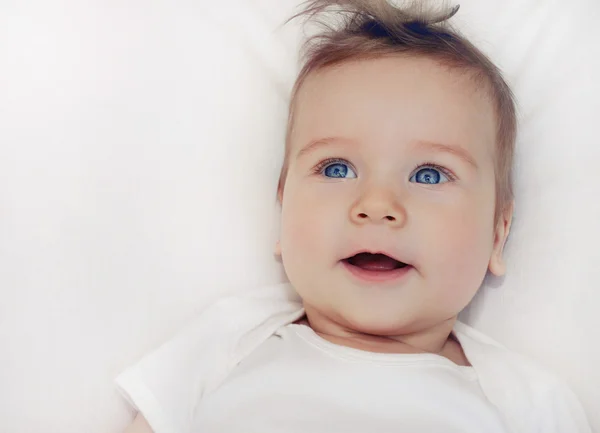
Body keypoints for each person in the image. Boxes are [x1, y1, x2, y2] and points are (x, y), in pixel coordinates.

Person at [119, 1, 592, 432]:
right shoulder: (229, 340)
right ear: (283, 210)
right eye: (337, 168)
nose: (377, 204)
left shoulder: (529, 403)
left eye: (429, 175)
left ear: (497, 233)